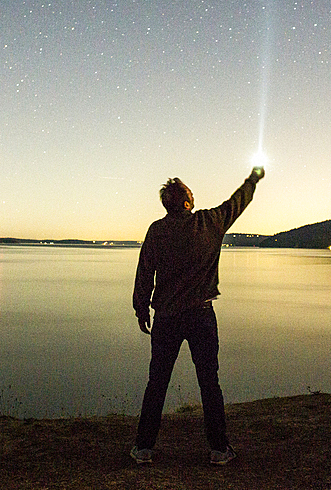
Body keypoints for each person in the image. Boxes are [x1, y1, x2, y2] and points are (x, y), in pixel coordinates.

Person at [130, 166, 265, 466]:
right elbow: (237, 202)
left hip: (165, 317)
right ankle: (219, 449)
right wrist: (253, 179)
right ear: (187, 203)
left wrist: (141, 309)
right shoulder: (208, 223)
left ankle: (143, 448)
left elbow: (144, 273)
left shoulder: (157, 230)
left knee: (157, 382)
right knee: (209, 381)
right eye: (191, 194)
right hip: (201, 315)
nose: (195, 196)